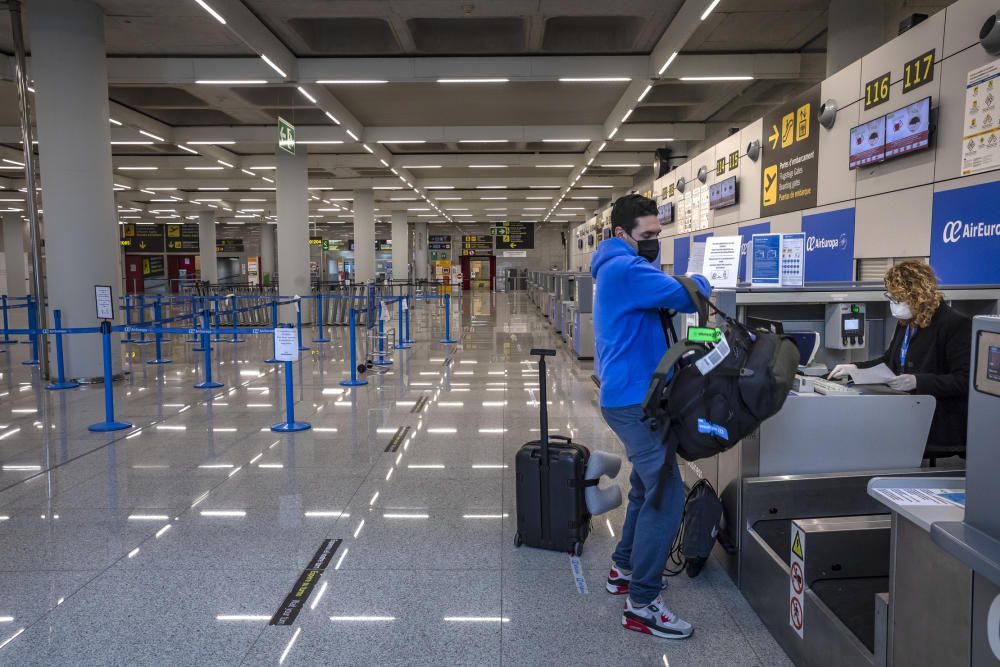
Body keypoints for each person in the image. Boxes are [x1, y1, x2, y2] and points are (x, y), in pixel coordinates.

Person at [591, 193, 711, 640]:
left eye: (659, 235)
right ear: (621, 234)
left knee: (646, 484)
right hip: (633, 400)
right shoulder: (625, 269)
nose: (653, 242)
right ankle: (642, 603)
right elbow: (689, 294)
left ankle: (623, 569)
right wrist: (702, 276)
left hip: (638, 394)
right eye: (646, 236)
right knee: (666, 493)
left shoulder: (622, 266)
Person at [829, 261, 971, 459]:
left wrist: (918, 381)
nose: (893, 304)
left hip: (937, 423)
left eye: (898, 298)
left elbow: (964, 380)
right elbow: (890, 361)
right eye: (891, 297)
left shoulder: (955, 325)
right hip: (907, 415)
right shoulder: (906, 322)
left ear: (918, 296)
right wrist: (854, 368)